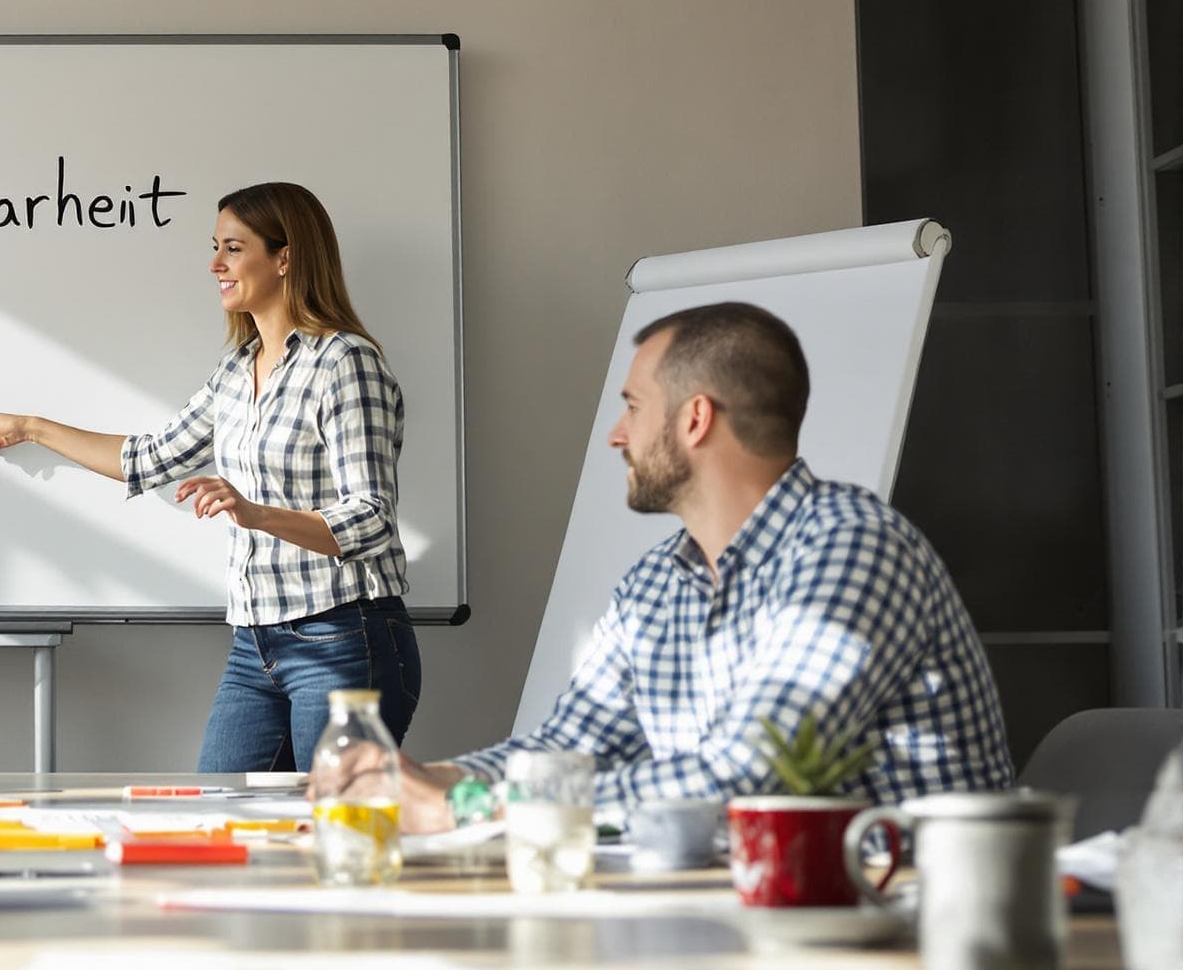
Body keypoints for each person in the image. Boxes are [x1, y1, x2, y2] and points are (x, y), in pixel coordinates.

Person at [340, 301, 1011, 831]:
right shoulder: (657, 583)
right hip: (747, 923)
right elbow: (573, 747)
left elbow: (750, 778)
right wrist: (426, 781)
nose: (616, 434)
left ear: (695, 419)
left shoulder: (854, 550)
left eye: (632, 407)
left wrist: (471, 811)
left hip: (905, 941)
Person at [0, 181, 416, 772]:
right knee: (216, 817)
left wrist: (254, 513)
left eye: (233, 248)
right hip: (256, 643)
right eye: (216, 247)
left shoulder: (345, 363)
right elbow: (151, 457)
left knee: (325, 832)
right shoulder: (236, 369)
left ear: (285, 256)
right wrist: (31, 427)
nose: (215, 264)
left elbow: (371, 518)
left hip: (345, 638)